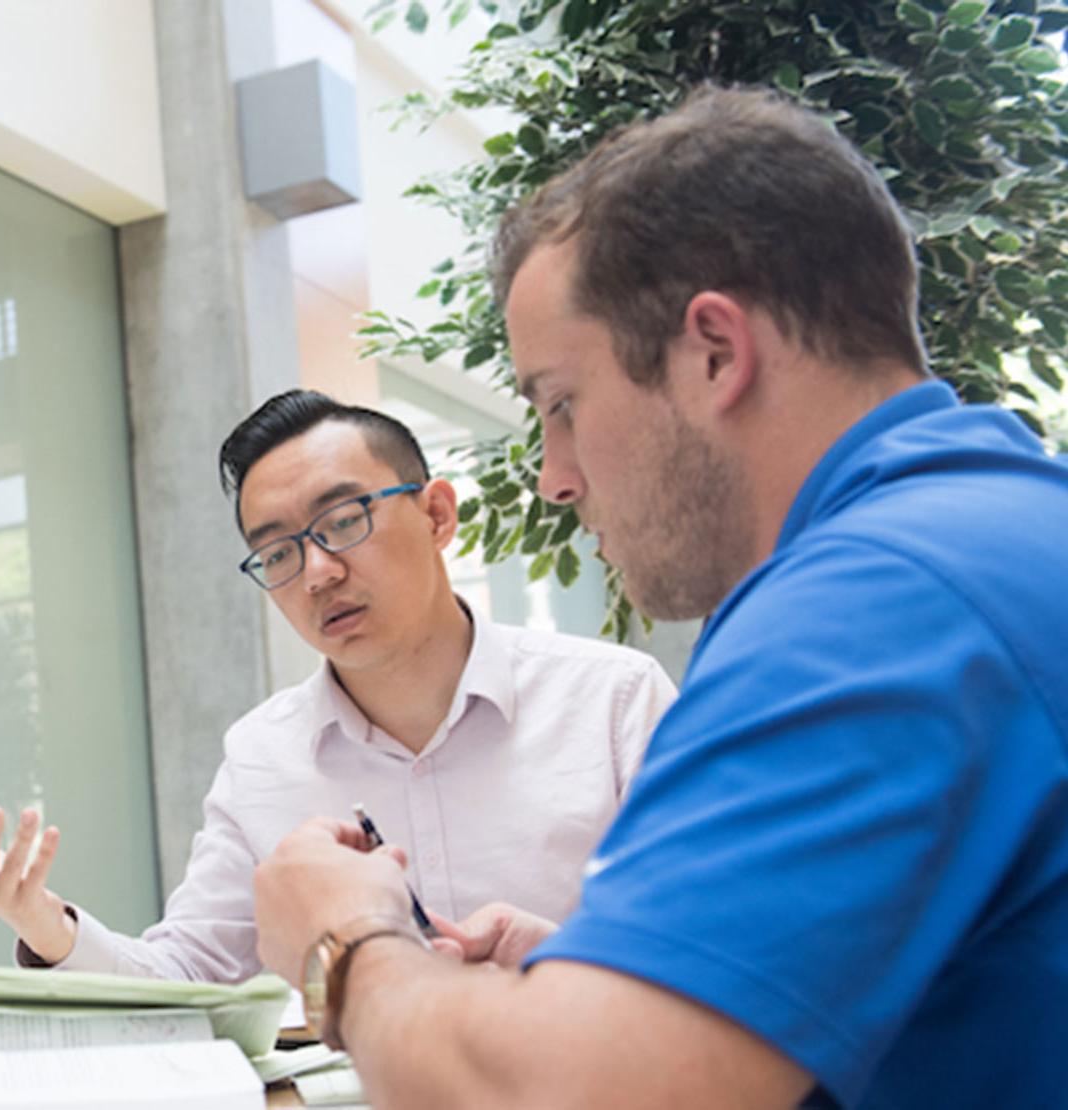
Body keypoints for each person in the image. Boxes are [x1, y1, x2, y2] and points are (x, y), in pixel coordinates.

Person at [252, 85, 1068, 1108]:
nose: (553, 476)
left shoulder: (868, 614)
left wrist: (347, 942)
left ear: (713, 353)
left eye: (560, 404)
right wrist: (624, 977)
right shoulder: (990, 530)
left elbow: (565, 1099)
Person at [0, 390, 677, 982]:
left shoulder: (613, 702)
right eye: (276, 553)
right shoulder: (264, 755)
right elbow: (190, 970)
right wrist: (46, 925)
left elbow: (710, 941)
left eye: (342, 521)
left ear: (437, 514)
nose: (317, 572)